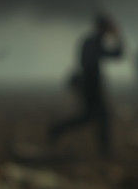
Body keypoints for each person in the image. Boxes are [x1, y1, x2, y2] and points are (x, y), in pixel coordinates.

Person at [48, 12, 125, 155]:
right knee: (99, 116)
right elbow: (114, 55)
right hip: (90, 84)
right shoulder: (92, 43)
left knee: (91, 116)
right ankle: (105, 150)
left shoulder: (93, 42)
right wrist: (118, 36)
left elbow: (117, 55)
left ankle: (57, 130)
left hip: (90, 84)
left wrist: (118, 36)